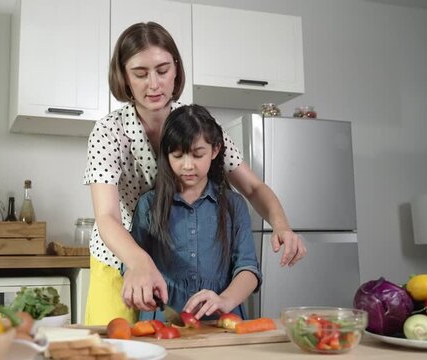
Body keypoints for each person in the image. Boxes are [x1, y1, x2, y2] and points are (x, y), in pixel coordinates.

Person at [83, 21, 305, 325]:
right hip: (120, 258)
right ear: (123, 76)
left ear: (176, 69)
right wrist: (138, 261)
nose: (154, 84)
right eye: (140, 73)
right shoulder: (109, 132)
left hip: (175, 263)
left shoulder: (194, 124)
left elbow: (252, 188)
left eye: (162, 70)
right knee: (114, 347)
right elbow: (106, 215)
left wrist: (281, 224)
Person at [130, 104, 260, 321]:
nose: (188, 165)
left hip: (222, 321)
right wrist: (139, 283)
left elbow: (249, 269)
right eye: (178, 155)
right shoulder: (148, 205)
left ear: (215, 150)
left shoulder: (234, 205)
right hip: (163, 321)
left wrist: (225, 300)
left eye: (198, 155)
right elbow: (132, 264)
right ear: (166, 154)